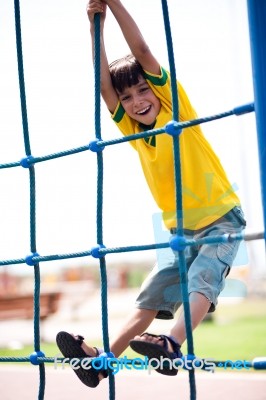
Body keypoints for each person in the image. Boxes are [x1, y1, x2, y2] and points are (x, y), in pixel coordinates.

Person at [56, 0, 246, 387]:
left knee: (203, 280)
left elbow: (141, 52)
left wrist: (113, 4)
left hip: (220, 218)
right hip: (179, 234)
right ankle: (103, 360)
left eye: (143, 90)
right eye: (128, 98)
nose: (137, 101)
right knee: (150, 297)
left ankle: (172, 344)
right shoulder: (134, 132)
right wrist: (96, 27)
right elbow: (103, 86)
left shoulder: (176, 110)